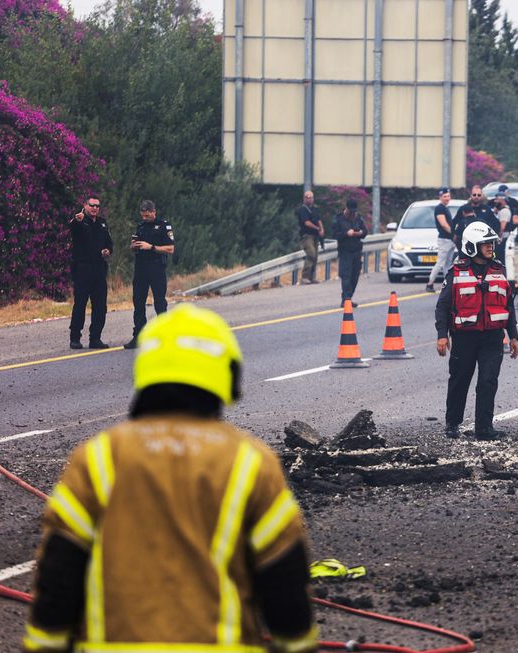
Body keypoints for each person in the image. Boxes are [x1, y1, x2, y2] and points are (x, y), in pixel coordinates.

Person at [23, 304, 319, 652]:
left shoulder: (98, 458)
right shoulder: (250, 463)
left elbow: (59, 575)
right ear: (227, 374)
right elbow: (284, 582)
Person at [435, 223, 518, 440]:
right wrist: (442, 335)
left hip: (493, 337)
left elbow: (508, 305)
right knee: (459, 380)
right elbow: (442, 306)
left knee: (488, 381)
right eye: (486, 244)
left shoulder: (498, 270)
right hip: (464, 338)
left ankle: (484, 428)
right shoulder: (456, 272)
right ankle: (452, 424)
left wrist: (514, 336)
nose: (491, 247)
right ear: (472, 246)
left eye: (492, 243)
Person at [123, 200, 174, 350]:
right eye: (143, 215)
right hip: (141, 269)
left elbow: (170, 249)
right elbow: (134, 245)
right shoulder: (140, 227)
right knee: (138, 303)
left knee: (159, 302)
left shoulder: (164, 225)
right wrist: (134, 246)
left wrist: (151, 247)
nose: (145, 218)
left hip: (157, 267)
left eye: (147, 215)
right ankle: (138, 335)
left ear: (153, 212)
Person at [69, 195, 113, 350]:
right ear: (85, 205)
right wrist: (78, 221)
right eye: (92, 205)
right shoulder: (80, 221)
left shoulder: (102, 223)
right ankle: (75, 338)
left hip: (99, 269)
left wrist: (108, 250)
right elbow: (72, 229)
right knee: (80, 304)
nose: (95, 208)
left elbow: (109, 243)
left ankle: (95, 338)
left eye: (97, 206)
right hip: (83, 269)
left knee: (100, 306)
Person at [332, 198, 368, 307]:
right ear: (346, 209)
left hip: (356, 251)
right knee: (346, 276)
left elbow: (365, 232)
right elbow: (335, 235)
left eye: (354, 211)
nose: (353, 214)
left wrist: (360, 233)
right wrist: (346, 234)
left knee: (354, 277)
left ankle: (348, 297)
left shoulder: (358, 218)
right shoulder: (339, 219)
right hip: (345, 252)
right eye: (351, 211)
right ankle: (346, 299)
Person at [452, 185, 498, 255]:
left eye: (479, 195)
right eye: (474, 195)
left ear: (481, 196)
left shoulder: (487, 209)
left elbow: (496, 224)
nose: (476, 196)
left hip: (482, 244)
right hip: (466, 245)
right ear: (471, 195)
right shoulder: (464, 208)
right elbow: (454, 223)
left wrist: (493, 240)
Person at [426, 187, 456, 293]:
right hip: (445, 239)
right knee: (440, 263)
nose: (447, 198)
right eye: (445, 196)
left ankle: (448, 284)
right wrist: (453, 234)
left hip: (450, 240)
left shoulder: (445, 208)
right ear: (440, 197)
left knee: (448, 263)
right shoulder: (440, 208)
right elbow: (443, 224)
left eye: (448, 196)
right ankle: (430, 284)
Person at [296, 190, 325, 284]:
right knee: (311, 253)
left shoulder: (315, 209)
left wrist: (322, 230)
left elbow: (319, 220)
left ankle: (312, 277)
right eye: (307, 197)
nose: (309, 199)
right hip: (306, 236)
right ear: (304, 198)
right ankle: (304, 277)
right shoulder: (302, 210)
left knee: (315, 256)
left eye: (311, 197)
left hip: (315, 236)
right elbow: (306, 222)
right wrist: (317, 228)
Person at [492, 191, 512, 261]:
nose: (495, 201)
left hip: (503, 238)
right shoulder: (501, 210)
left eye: (497, 199)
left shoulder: (504, 211)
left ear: (502, 200)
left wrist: (499, 239)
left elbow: (502, 227)